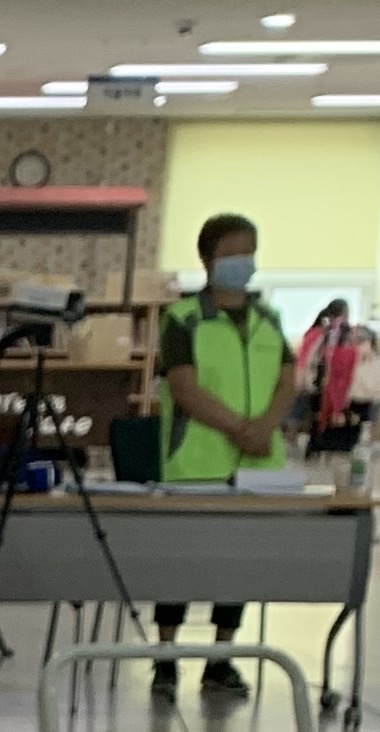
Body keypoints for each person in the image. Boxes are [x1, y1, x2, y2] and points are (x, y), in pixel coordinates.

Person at [149, 210, 295, 699]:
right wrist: (238, 428)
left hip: (257, 466)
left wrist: (265, 427)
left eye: (248, 253)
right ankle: (165, 658)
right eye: (232, 254)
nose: (242, 263)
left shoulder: (268, 319)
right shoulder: (182, 318)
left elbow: (287, 381)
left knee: (239, 563)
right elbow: (185, 389)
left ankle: (221, 658)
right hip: (196, 462)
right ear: (207, 259)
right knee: (179, 562)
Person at [296, 297, 366, 459]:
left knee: (318, 415)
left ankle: (317, 444)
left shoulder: (318, 332)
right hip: (335, 382)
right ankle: (336, 444)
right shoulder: (346, 334)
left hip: (318, 381)